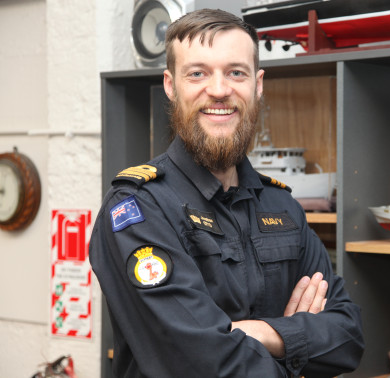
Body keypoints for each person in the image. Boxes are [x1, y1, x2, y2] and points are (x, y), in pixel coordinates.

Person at [89, 8, 364, 378]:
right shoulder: (138, 209)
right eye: (197, 73)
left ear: (258, 84)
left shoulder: (282, 206)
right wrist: (299, 345)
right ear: (171, 86)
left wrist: (258, 333)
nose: (219, 90)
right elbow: (199, 363)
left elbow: (348, 338)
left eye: (236, 72)